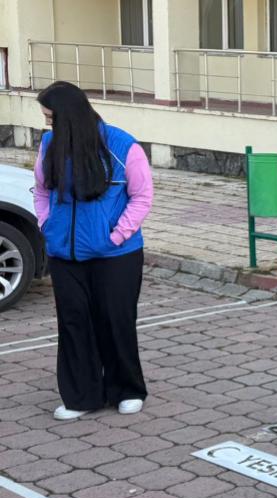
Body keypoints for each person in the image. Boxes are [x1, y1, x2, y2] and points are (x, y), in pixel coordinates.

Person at [33, 81, 153, 421]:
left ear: (69, 117)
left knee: (115, 321)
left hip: (116, 255)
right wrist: (47, 224)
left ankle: (127, 389)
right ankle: (82, 396)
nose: (46, 125)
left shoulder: (121, 145)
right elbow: (42, 190)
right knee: (73, 322)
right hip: (65, 254)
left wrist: (115, 236)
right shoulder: (49, 145)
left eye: (50, 118)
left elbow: (142, 196)